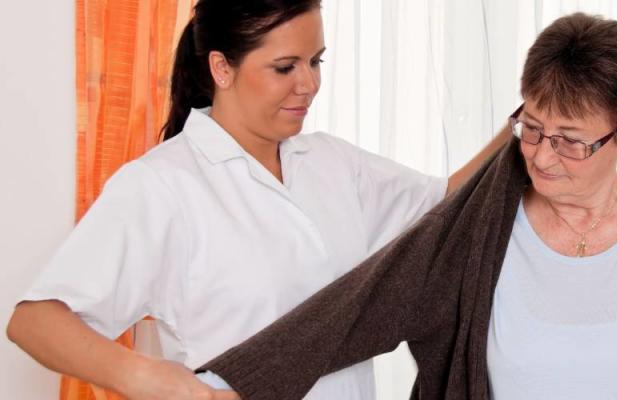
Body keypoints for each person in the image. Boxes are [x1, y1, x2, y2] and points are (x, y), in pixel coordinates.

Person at [200, 12, 617, 400]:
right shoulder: (480, 231)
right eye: (532, 129)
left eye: (571, 140)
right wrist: (225, 384)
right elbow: (360, 308)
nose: (543, 157)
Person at [5, 1, 510, 399]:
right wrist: (145, 377)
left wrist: (523, 126)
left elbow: (445, 204)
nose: (309, 84)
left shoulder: (332, 162)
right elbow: (35, 321)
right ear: (222, 69)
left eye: (316, 62)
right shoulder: (162, 186)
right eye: (285, 67)